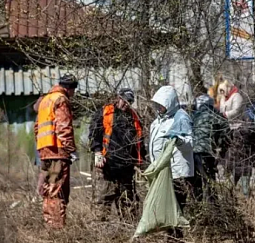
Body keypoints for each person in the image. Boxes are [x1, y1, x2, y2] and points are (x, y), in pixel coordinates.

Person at [88, 88, 145, 220]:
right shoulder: (105, 112)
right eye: (124, 100)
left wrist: (140, 162)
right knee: (101, 202)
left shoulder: (134, 117)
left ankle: (129, 230)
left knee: (128, 204)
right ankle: (100, 235)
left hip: (126, 168)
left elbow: (139, 142)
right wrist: (97, 151)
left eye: (129, 101)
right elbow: (94, 134)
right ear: (118, 98)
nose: (126, 104)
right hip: (106, 166)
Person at [35, 74, 79, 229]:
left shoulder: (44, 101)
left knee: (48, 191)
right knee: (57, 191)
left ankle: (50, 226)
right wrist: (71, 149)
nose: (74, 94)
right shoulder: (61, 99)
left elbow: (37, 128)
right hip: (58, 152)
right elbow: (63, 126)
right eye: (74, 90)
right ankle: (57, 230)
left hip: (45, 151)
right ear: (70, 88)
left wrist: (42, 148)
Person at [149, 86, 194, 216]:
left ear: (169, 103)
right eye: (157, 104)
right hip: (162, 171)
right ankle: (171, 234)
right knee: (165, 208)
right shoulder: (157, 122)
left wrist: (179, 140)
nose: (158, 107)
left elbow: (190, 144)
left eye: (161, 105)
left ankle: (176, 235)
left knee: (175, 208)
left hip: (177, 173)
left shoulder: (180, 118)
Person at [191, 94, 231, 200]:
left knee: (196, 183)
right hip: (207, 152)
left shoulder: (194, 115)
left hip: (192, 152)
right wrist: (222, 148)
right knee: (209, 181)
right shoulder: (215, 115)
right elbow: (227, 132)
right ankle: (212, 209)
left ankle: (197, 206)